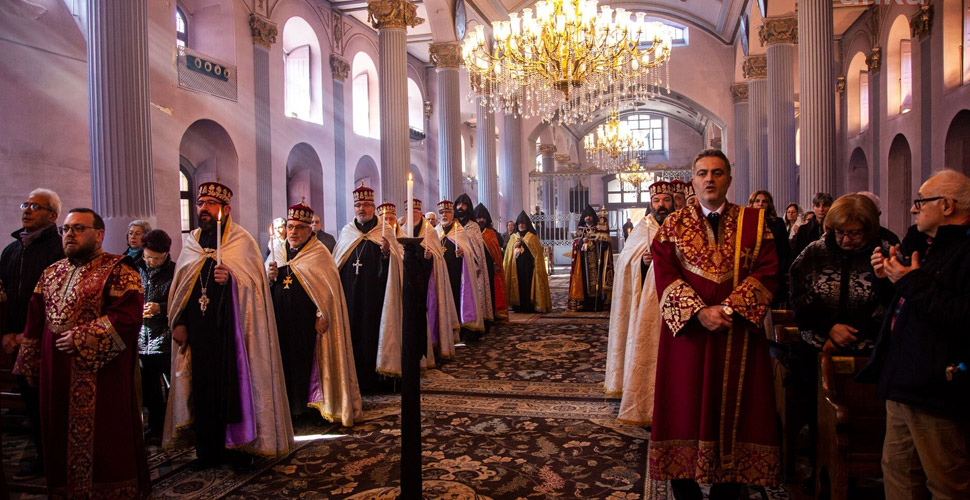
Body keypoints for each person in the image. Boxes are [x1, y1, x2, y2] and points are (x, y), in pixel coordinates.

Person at [649, 149, 781, 498]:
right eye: (703, 173)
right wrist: (699, 313)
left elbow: (768, 271)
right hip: (687, 338)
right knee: (684, 407)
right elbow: (664, 273)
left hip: (738, 333)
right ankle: (685, 490)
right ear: (693, 179)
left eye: (718, 173)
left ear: (729, 179)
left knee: (739, 413)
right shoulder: (672, 226)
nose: (710, 179)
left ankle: (730, 490)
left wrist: (728, 310)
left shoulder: (754, 222)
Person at [14, 208, 151, 499]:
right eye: (66, 229)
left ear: (99, 234)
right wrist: (29, 360)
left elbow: (128, 317)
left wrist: (81, 337)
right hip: (56, 373)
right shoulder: (50, 273)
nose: (70, 234)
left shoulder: (119, 271)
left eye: (78, 228)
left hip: (101, 375)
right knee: (57, 433)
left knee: (107, 438)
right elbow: (35, 318)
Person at [165, 182, 293, 467]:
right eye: (200, 203)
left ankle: (237, 448)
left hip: (233, 336)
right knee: (202, 390)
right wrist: (179, 322)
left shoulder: (241, 241)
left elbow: (255, 287)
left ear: (226, 209)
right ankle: (206, 450)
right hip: (199, 334)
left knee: (231, 391)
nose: (204, 208)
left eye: (210, 203)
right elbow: (181, 288)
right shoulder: (192, 243)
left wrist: (233, 281)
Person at [861, 170, 970, 500]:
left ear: (947, 205)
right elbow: (905, 306)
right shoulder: (926, 245)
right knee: (898, 474)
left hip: (938, 387)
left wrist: (909, 281)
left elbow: (962, 317)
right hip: (903, 380)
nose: (913, 209)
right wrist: (886, 277)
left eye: (921, 202)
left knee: (945, 484)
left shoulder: (964, 252)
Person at [266, 202, 362, 426]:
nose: (293, 232)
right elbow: (265, 290)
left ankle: (307, 407)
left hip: (307, 325)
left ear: (310, 229)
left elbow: (328, 291)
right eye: (290, 227)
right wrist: (269, 277)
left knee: (305, 365)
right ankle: (287, 408)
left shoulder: (319, 254)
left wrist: (322, 314)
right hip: (281, 321)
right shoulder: (277, 252)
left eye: (299, 227)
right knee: (284, 363)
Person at [0, 188, 64, 481]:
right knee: (31, 404)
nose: (26, 210)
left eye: (35, 206)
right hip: (16, 340)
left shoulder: (60, 249)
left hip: (47, 341)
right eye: (25, 204)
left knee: (51, 404)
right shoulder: (11, 250)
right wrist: (7, 333)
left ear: (52, 216)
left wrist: (32, 335)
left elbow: (60, 300)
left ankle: (60, 458)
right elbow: (3, 296)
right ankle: (42, 456)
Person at [608, 181, 671, 428]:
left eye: (665, 200)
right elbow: (626, 263)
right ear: (650, 204)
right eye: (656, 201)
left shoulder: (682, 228)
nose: (661, 205)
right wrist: (642, 264)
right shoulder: (641, 230)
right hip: (646, 305)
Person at [332, 185, 404, 392]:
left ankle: (377, 380)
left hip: (377, 299)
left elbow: (397, 266)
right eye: (357, 205)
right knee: (352, 337)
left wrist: (386, 254)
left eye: (365, 205)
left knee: (373, 336)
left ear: (373, 207)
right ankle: (354, 380)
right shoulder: (347, 232)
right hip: (351, 298)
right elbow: (336, 265)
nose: (361, 209)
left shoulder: (385, 232)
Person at [403, 199, 460, 361]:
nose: (412, 215)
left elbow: (438, 258)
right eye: (409, 211)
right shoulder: (401, 231)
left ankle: (432, 346)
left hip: (426, 283)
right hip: (406, 284)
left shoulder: (429, 231)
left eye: (415, 211)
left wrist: (430, 257)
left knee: (430, 314)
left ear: (419, 212)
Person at [137, 229, 175, 443]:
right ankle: (155, 426)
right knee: (149, 388)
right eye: (147, 256)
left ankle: (173, 425)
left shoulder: (173, 271)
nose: (151, 261)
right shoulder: (136, 268)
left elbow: (180, 302)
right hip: (143, 337)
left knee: (171, 386)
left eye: (156, 258)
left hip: (166, 337)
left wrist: (160, 308)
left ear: (166, 254)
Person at [437, 199, 486, 339]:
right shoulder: (435, 231)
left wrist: (464, 252)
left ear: (452, 214)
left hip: (457, 275)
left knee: (458, 299)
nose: (444, 215)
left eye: (447, 212)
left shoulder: (460, 231)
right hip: (441, 274)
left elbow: (470, 252)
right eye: (441, 212)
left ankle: (460, 329)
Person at [455, 194, 494, 331]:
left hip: (473, 266)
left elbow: (478, 250)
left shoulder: (474, 227)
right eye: (458, 204)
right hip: (456, 266)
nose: (460, 207)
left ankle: (474, 323)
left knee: (473, 294)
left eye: (464, 204)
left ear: (468, 207)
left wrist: (473, 260)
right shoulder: (453, 225)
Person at [748, 190, 792, 307]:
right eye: (757, 201)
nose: (760, 204)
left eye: (764, 201)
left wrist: (777, 271)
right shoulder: (745, 223)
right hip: (751, 275)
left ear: (769, 204)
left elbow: (784, 251)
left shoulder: (778, 223)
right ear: (751, 203)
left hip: (773, 273)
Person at [567, 204, 614, 312]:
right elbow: (575, 243)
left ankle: (598, 303)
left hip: (597, 259)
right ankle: (584, 303)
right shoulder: (580, 230)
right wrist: (581, 242)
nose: (588, 218)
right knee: (584, 282)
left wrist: (601, 242)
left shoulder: (599, 228)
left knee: (597, 281)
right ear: (583, 218)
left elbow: (604, 242)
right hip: (584, 261)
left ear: (593, 217)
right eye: (586, 216)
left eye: (590, 216)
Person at [503, 211, 552, 313]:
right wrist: (514, 246)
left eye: (523, 223)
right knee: (518, 284)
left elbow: (537, 253)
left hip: (529, 267)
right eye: (520, 223)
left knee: (528, 285)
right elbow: (508, 253)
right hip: (516, 267)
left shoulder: (532, 236)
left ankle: (529, 305)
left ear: (527, 224)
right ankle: (517, 305)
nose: (521, 225)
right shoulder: (513, 237)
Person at [475, 203, 509, 324]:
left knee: (491, 290)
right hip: (476, 268)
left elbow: (496, 252)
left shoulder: (491, 233)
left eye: (483, 217)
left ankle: (493, 314)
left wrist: (496, 264)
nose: (481, 220)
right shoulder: (471, 232)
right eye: (479, 217)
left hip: (489, 267)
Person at [792, 192, 833, 258]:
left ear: (831, 207)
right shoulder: (803, 229)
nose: (821, 209)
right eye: (817, 206)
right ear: (813, 207)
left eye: (825, 205)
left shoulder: (835, 228)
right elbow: (797, 254)